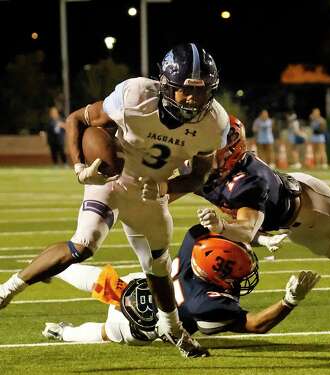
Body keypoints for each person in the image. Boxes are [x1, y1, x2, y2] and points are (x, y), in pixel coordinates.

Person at [0, 43, 230, 358]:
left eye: (201, 91)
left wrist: (165, 188)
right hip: (111, 180)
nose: (192, 99)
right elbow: (77, 120)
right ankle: (7, 290)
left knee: (158, 268)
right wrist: (80, 168)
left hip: (150, 194)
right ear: (165, 85)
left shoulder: (214, 123)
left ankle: (173, 330)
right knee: (84, 243)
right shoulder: (136, 95)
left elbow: (199, 177)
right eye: (184, 91)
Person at [42, 225, 319, 345]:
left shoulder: (193, 245)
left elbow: (216, 230)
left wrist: (257, 240)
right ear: (215, 274)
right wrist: (289, 301)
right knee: (106, 332)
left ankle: (53, 266)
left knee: (101, 280)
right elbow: (256, 324)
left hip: (136, 288)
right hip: (142, 324)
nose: (238, 280)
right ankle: (63, 333)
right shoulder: (207, 303)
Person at [195, 115, 330, 262]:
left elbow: (246, 230)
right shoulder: (204, 173)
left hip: (313, 205)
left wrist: (220, 226)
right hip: (292, 226)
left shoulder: (250, 179)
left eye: (208, 148)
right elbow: (171, 187)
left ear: (229, 149)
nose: (200, 153)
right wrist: (265, 239)